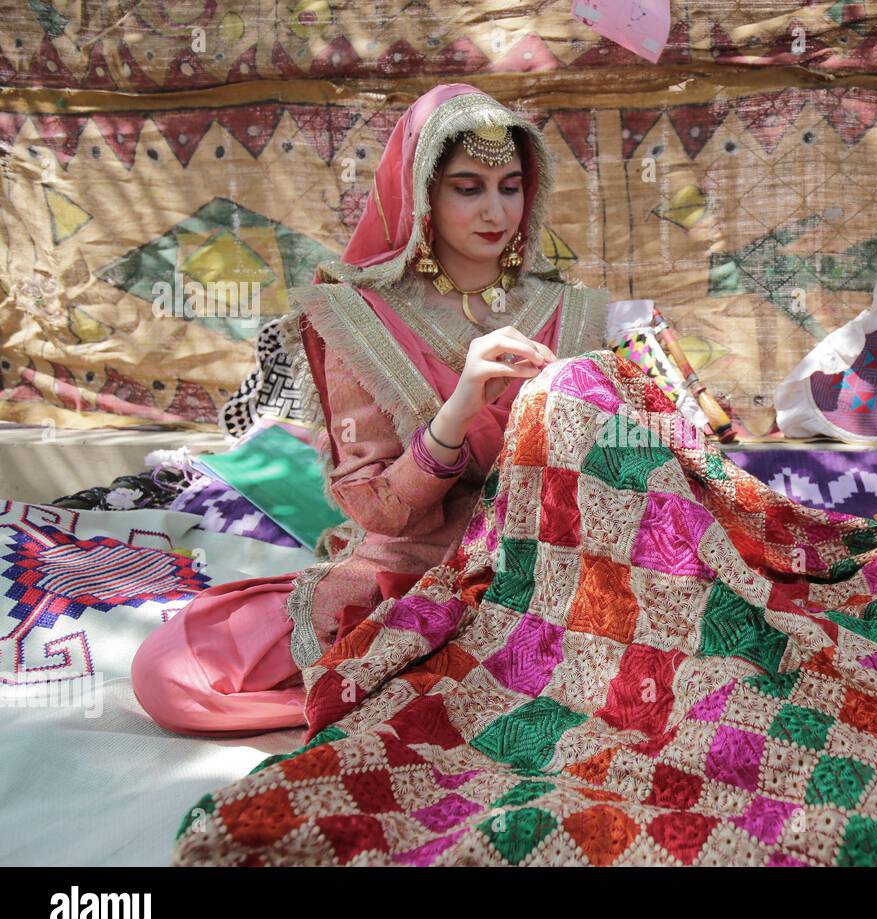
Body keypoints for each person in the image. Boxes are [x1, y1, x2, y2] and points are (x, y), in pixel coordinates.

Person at [132, 83, 611, 736]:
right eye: (467, 186)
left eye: (511, 185)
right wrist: (462, 403)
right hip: (408, 572)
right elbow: (377, 507)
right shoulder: (360, 316)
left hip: (545, 575)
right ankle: (404, 681)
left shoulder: (573, 312)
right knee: (170, 673)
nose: (496, 209)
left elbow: (610, 479)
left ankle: (432, 682)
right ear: (420, 194)